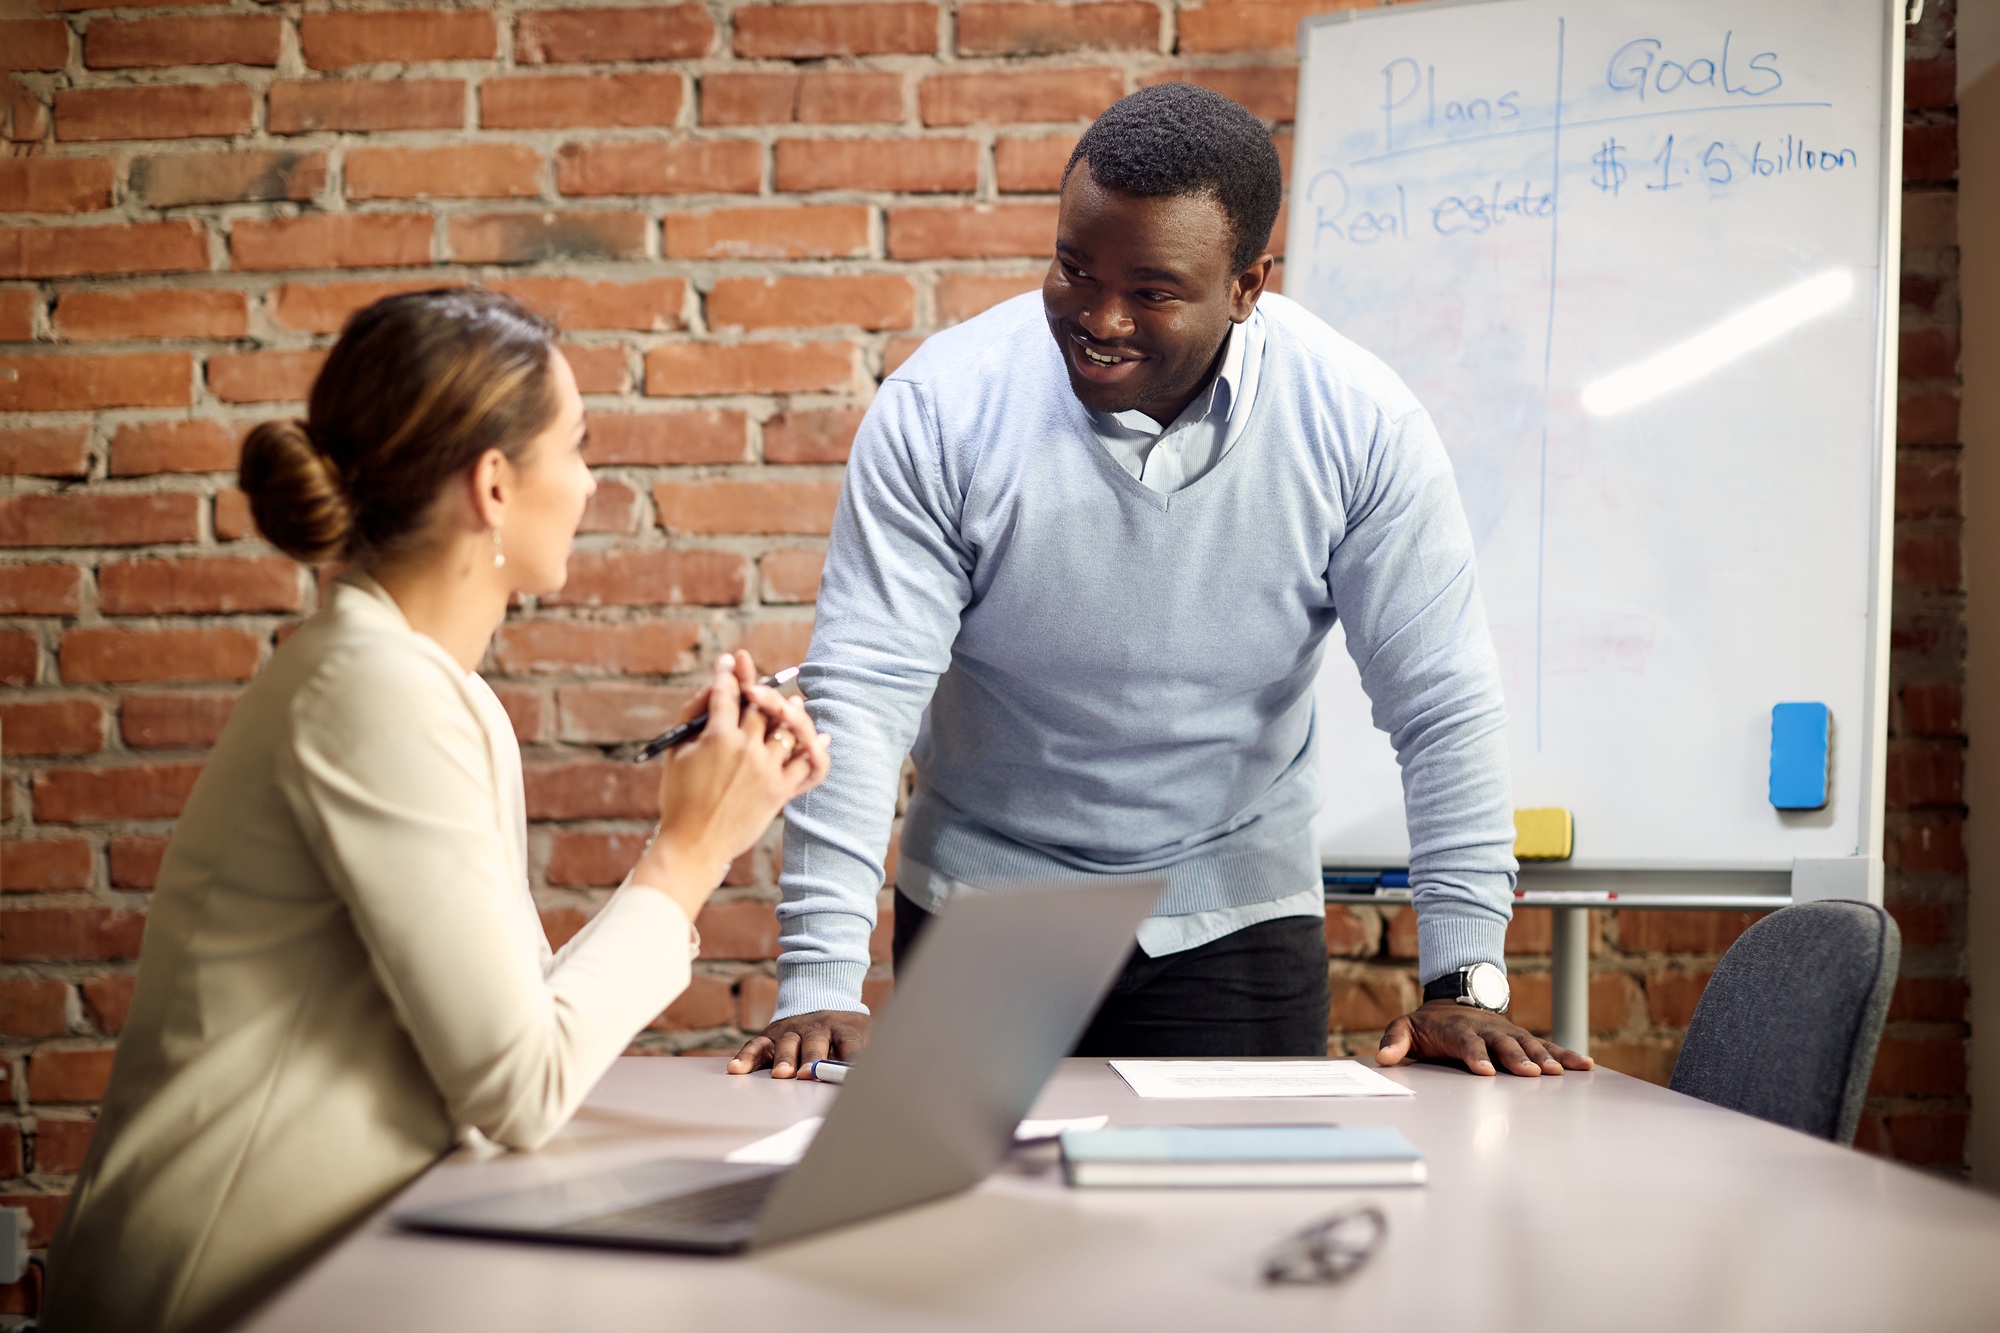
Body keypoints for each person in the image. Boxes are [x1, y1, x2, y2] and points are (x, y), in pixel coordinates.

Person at [728, 84, 1589, 1081]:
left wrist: (1460, 978)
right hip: (990, 901)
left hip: (1231, 911)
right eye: (1070, 268)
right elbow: (862, 699)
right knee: (983, 1234)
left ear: (1246, 286)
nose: (1098, 318)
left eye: (1150, 290)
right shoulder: (942, 411)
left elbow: (1439, 702)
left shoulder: (1357, 424)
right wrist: (821, 983)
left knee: (1224, 1236)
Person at [41, 289, 830, 1333]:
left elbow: (494, 1034)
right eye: (577, 446)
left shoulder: (423, 687)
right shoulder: (375, 692)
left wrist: (699, 833)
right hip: (221, 1288)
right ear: (495, 485)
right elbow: (518, 1084)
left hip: (344, 1255)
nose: (592, 482)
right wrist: (687, 853)